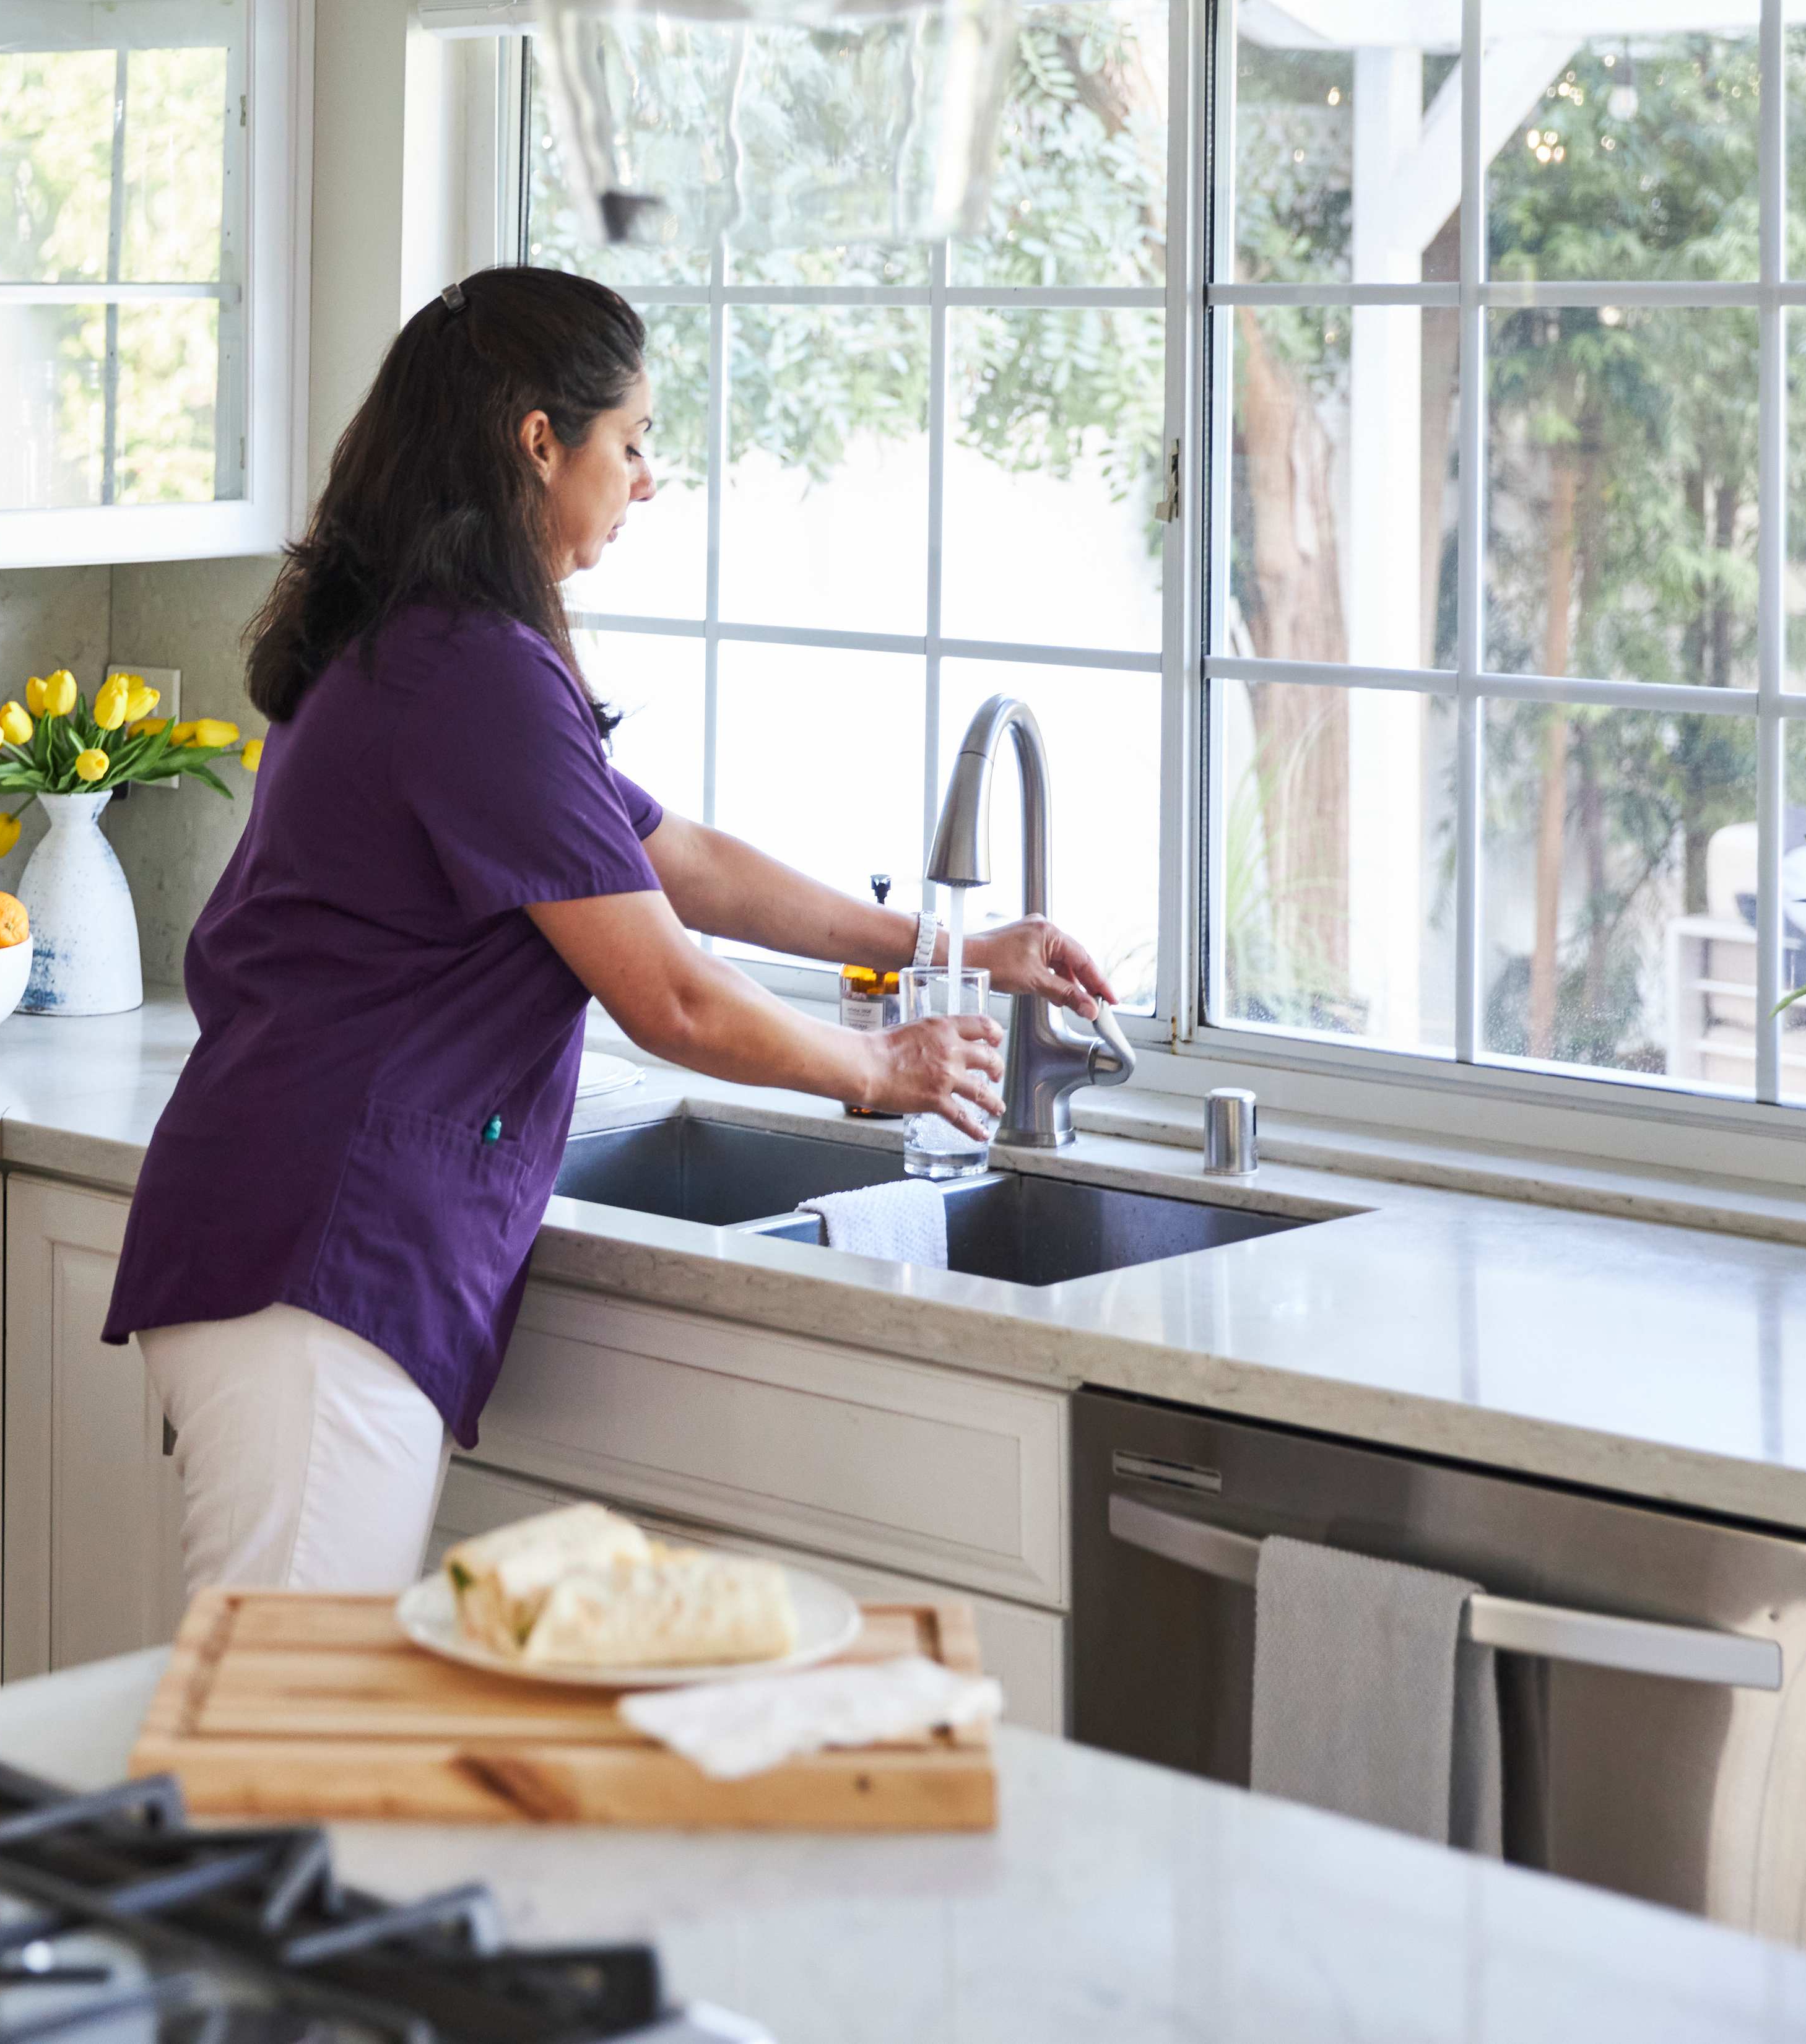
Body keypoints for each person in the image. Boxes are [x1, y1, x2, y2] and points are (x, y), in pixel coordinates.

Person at [98, 265, 1116, 1596]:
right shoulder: (470, 670)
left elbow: (668, 858)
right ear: (538, 440)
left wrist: (943, 943)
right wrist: (882, 1067)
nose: (646, 478)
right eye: (630, 442)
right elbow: (671, 1000)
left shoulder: (432, 644)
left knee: (292, 1730)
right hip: (321, 1264)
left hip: (292, 1236)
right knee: (275, 1728)